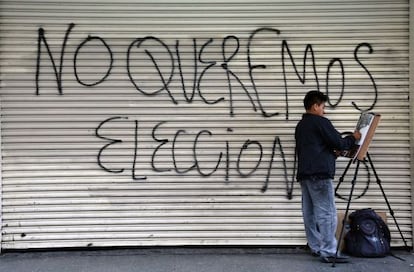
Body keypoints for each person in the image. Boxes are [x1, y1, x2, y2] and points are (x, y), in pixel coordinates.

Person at [295, 90, 361, 263]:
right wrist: (353, 138)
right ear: (315, 106)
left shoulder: (301, 125)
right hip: (319, 174)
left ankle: (316, 247)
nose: (324, 110)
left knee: (309, 212)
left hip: (305, 174)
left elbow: (313, 149)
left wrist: (332, 154)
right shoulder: (320, 122)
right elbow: (338, 142)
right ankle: (329, 251)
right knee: (327, 213)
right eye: (323, 106)